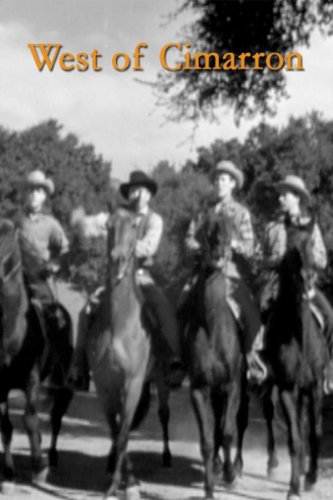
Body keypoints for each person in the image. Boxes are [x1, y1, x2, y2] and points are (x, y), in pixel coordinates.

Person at [71, 170, 184, 390]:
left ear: (149, 195)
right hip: (116, 276)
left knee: (163, 307)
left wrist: (125, 246)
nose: (136, 194)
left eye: (141, 190)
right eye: (132, 190)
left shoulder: (154, 220)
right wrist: (81, 220)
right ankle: (79, 366)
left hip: (141, 275)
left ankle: (172, 360)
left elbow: (149, 247)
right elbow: (95, 224)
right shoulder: (119, 215)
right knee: (86, 311)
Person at [251, 174, 333, 391]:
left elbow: (322, 259)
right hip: (278, 285)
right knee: (260, 306)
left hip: (306, 284)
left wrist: (306, 260)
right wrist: (278, 261)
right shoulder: (272, 228)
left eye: (284, 195)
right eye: (280, 195)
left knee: (329, 315)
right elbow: (259, 257)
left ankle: (329, 368)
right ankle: (262, 361)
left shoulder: (310, 226)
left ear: (296, 197)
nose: (280, 199)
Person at [181, 160, 264, 373]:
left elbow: (250, 246)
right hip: (204, 271)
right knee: (182, 301)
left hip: (231, 274)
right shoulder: (203, 212)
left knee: (250, 313)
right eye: (217, 179)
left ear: (233, 184)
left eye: (224, 179)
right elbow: (188, 239)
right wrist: (199, 247)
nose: (219, 183)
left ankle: (252, 359)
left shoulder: (240, 213)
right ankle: (180, 357)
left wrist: (233, 244)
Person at [18, 170, 69, 329]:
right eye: (30, 190)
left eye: (38, 191)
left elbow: (65, 248)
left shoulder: (51, 224)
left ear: (44, 196)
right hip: (16, 273)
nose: (33, 194)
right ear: (25, 194)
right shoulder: (15, 221)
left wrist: (55, 264)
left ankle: (55, 346)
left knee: (54, 314)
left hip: (39, 276)